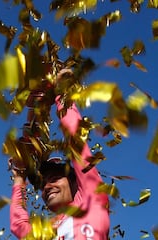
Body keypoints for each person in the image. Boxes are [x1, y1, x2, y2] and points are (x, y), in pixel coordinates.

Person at [9, 73, 110, 239]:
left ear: (76, 184)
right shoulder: (45, 233)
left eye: (55, 178)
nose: (47, 187)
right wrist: (20, 178)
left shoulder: (93, 202)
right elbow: (18, 225)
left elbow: (77, 145)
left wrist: (61, 95)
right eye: (43, 185)